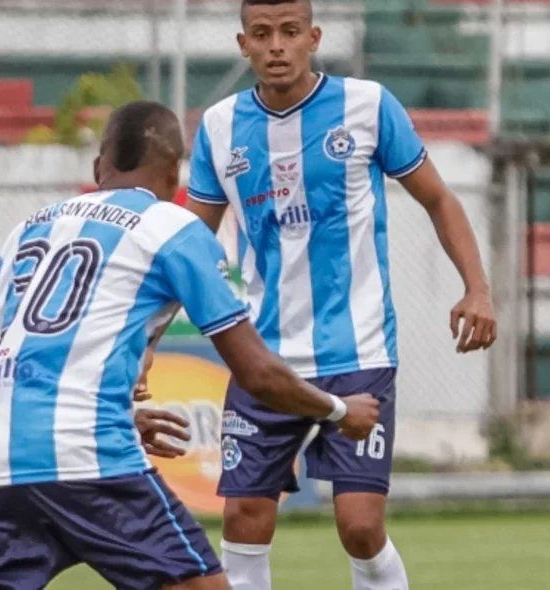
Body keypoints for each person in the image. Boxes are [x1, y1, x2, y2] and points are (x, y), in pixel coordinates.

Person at [0, 100, 381, 590]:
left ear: (100, 166)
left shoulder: (25, 230)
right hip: (87, 458)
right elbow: (257, 373)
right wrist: (337, 410)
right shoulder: (171, 227)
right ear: (174, 171)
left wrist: (119, 413)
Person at [178, 1, 499, 588]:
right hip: (263, 360)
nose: (277, 45)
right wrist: (145, 334)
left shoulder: (368, 106)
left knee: (358, 525)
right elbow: (185, 242)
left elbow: (439, 199)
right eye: (263, 33)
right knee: (244, 517)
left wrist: (476, 288)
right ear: (243, 44)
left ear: (314, 38)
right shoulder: (219, 127)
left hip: (359, 351)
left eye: (290, 32)